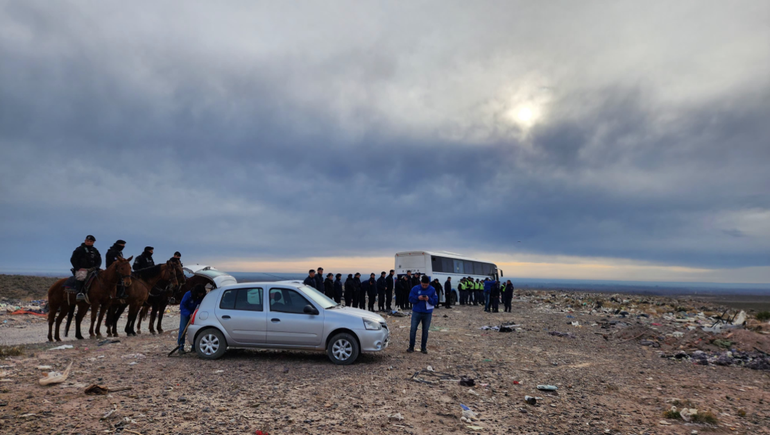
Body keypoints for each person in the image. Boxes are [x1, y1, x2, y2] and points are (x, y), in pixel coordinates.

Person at [407, 276, 438, 354]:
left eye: (426, 285)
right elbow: (410, 299)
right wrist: (418, 298)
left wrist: (429, 299)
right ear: (421, 283)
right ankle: (411, 347)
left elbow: (435, 301)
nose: (424, 286)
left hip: (427, 313)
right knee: (413, 329)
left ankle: (423, 348)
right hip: (416, 312)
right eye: (423, 285)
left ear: (428, 283)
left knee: (425, 330)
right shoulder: (415, 288)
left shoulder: (432, 289)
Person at [70, 235, 102, 302]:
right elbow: (73, 259)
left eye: (91, 241)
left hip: (93, 268)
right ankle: (79, 293)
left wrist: (97, 267)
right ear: (85, 241)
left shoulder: (95, 250)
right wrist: (78, 268)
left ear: (93, 242)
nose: (89, 242)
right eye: (87, 241)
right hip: (82, 269)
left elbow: (99, 260)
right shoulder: (79, 249)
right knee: (81, 276)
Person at [177, 284, 206, 354]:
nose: (201, 294)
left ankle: (194, 347)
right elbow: (182, 306)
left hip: (196, 314)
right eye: (200, 293)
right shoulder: (188, 295)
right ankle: (180, 347)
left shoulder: (202, 297)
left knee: (196, 330)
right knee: (183, 329)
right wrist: (189, 314)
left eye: (202, 293)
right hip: (186, 314)